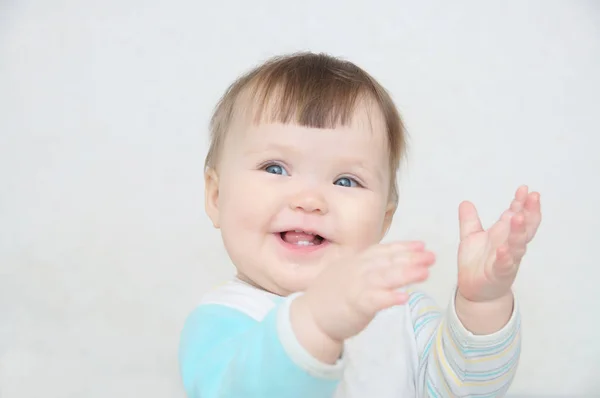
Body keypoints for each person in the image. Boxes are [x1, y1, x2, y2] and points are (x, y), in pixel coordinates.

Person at [178, 52, 542, 397]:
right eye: (276, 168)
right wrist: (316, 323)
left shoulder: (402, 311)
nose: (309, 200)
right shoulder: (222, 322)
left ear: (384, 220)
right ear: (216, 196)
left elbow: (465, 390)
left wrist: (482, 303)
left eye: (345, 181)